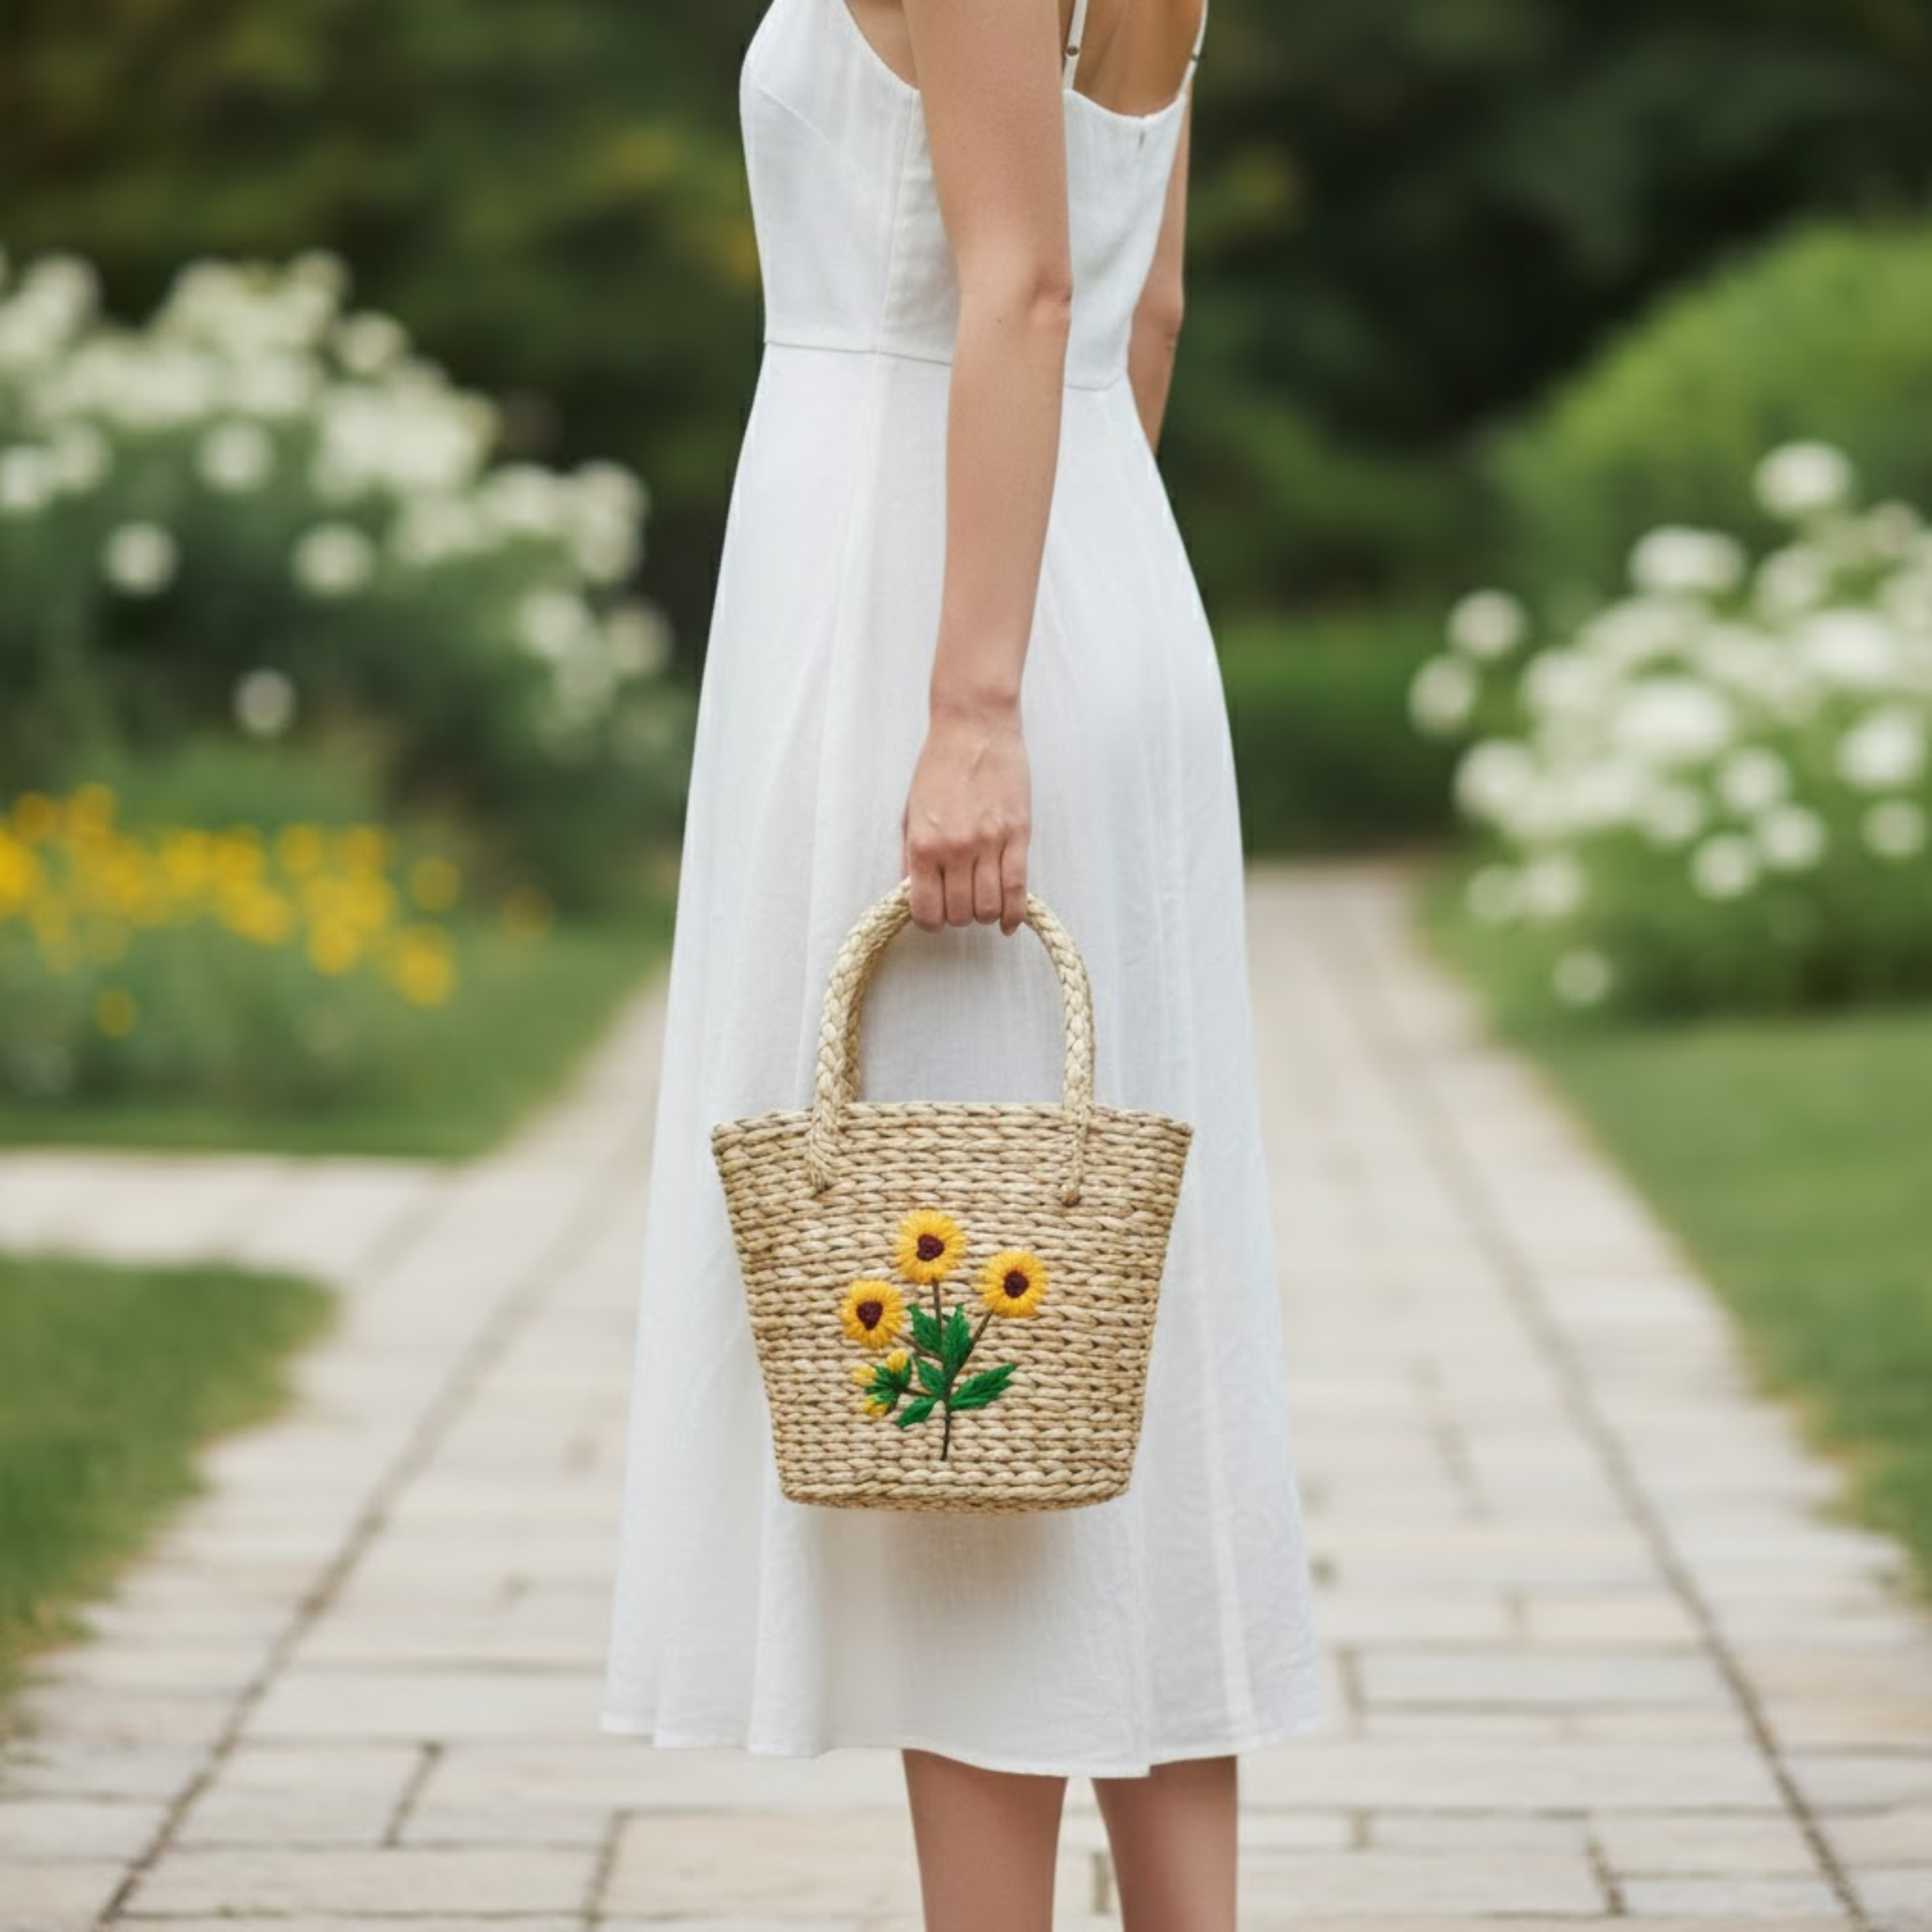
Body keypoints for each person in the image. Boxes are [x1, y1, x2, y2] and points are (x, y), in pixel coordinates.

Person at [599, 0, 1328, 1925]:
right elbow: (1133, 311)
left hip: (923, 600)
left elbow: (1018, 292)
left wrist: (977, 698)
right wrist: (1070, 582)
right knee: (1092, 1342)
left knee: (970, 1371)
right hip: (1072, 565)